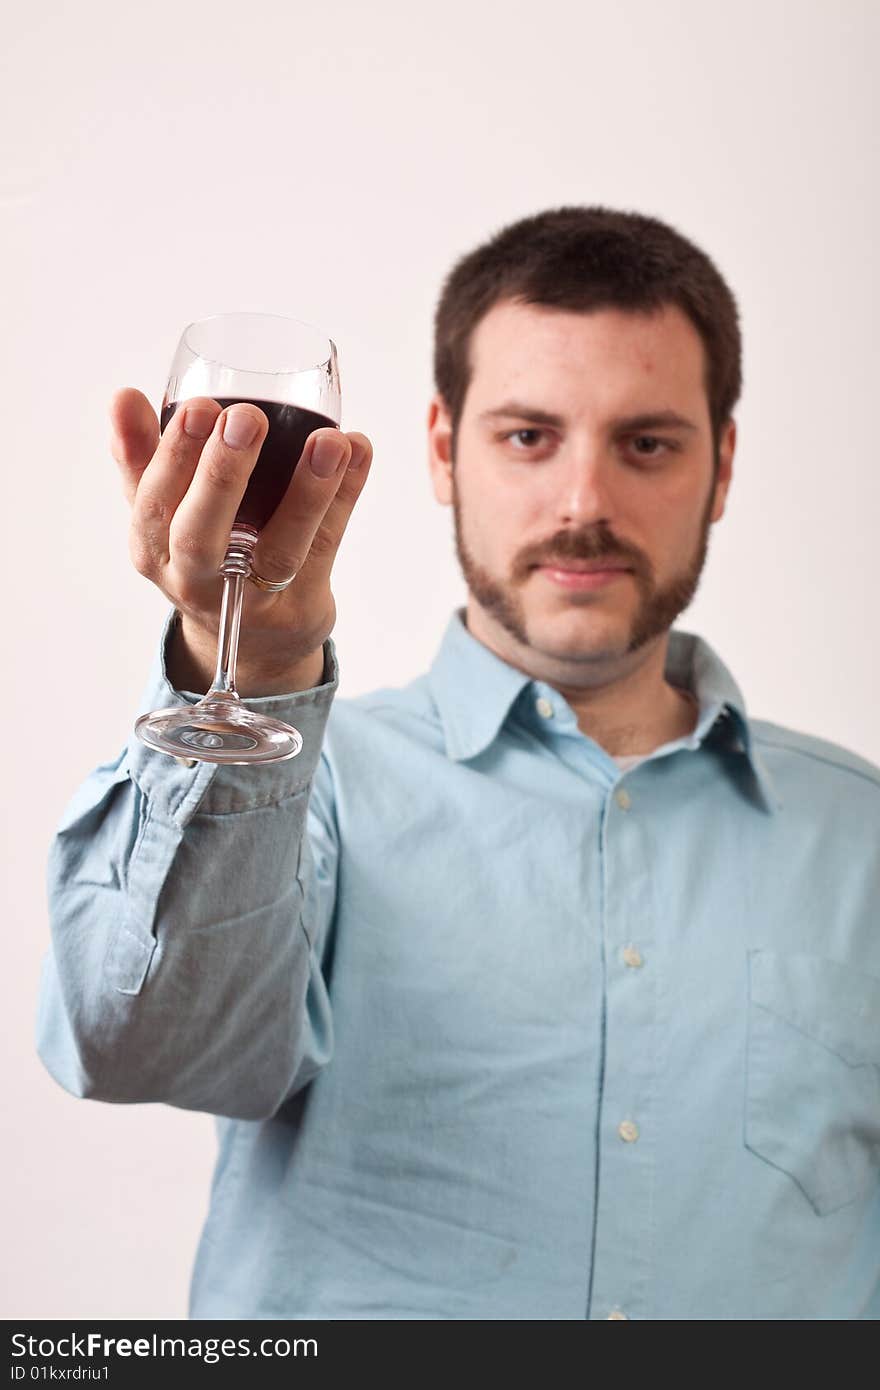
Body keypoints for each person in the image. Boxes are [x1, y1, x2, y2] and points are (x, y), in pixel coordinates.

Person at [37, 206, 880, 1321]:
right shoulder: (310, 787)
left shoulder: (860, 840)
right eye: (528, 436)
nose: (584, 504)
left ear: (721, 468)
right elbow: (131, 1043)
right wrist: (251, 659)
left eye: (647, 443)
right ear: (443, 450)